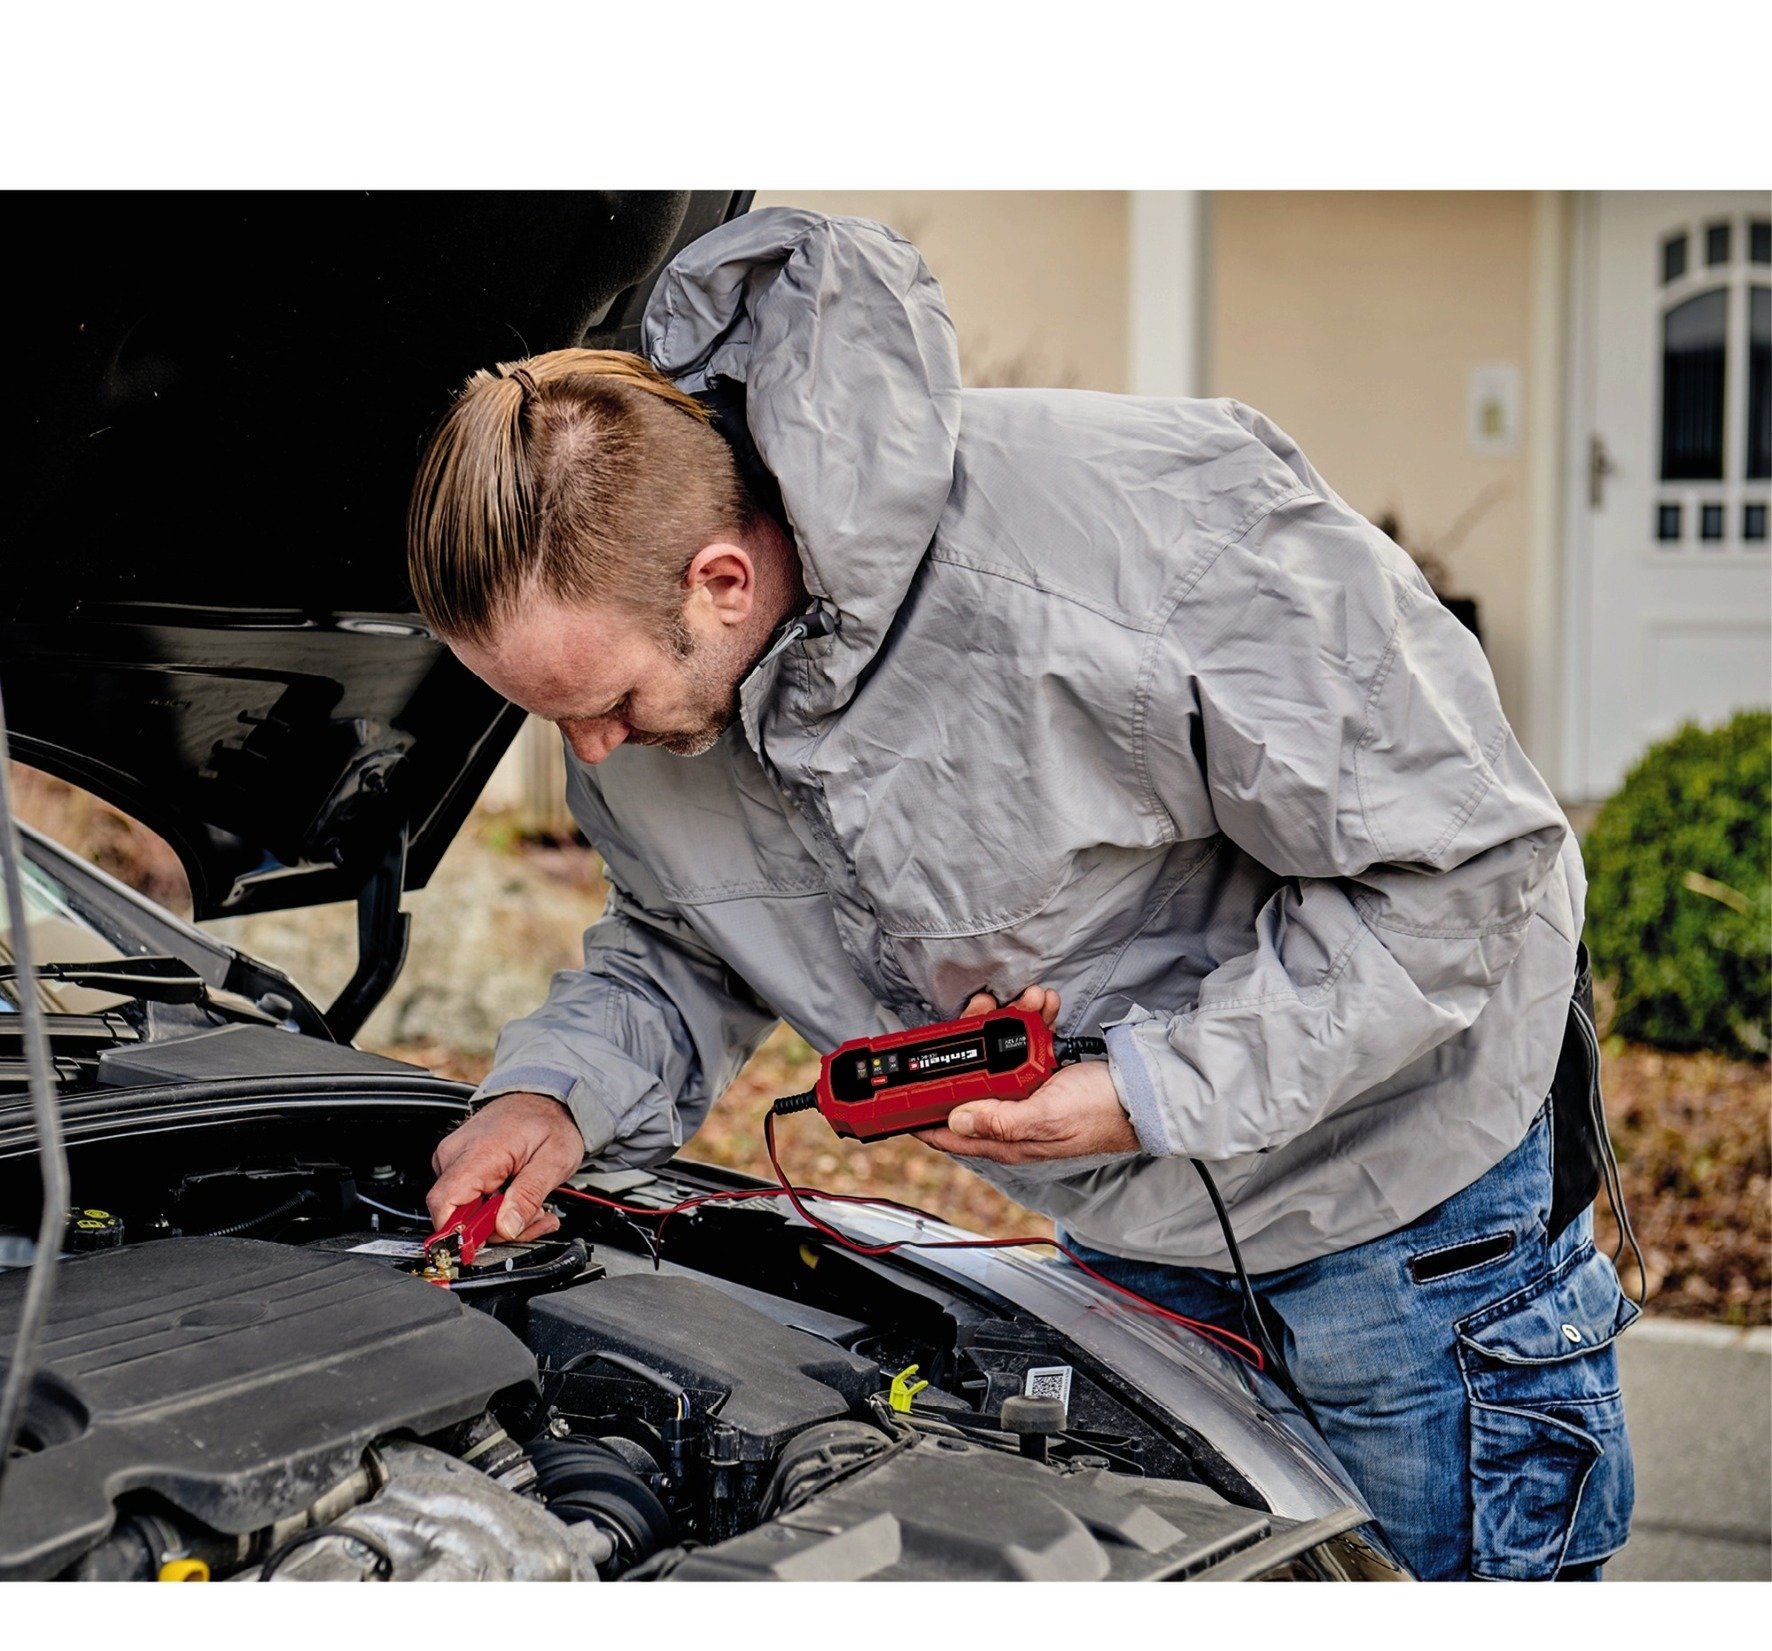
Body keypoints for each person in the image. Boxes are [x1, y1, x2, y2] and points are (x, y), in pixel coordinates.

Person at [406, 207, 1635, 1580]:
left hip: (1403, 1230)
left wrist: (1141, 1092)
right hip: (1127, 1241)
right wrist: (556, 1092)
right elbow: (683, 937)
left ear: (722, 581)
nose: (590, 752)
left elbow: (1467, 869)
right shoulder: (656, 716)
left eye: (608, 700)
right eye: (548, 718)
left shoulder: (1147, 536)